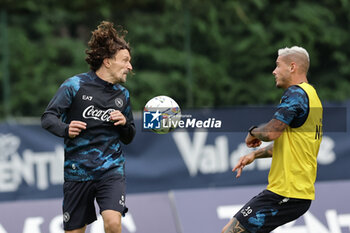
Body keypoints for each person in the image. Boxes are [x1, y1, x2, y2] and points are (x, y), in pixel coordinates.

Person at [41, 21, 135, 233]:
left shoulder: (123, 95)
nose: (130, 67)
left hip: (111, 170)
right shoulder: (74, 86)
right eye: (126, 61)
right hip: (78, 173)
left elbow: (129, 136)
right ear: (107, 61)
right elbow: (48, 118)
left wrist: (123, 124)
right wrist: (65, 129)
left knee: (113, 223)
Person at [221, 46, 323, 233]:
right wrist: (256, 154)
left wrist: (252, 132)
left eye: (278, 65)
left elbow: (271, 133)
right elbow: (293, 145)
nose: (273, 71)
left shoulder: (296, 94)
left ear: (292, 67)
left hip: (287, 192)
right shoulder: (313, 96)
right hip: (295, 193)